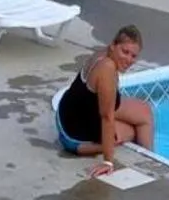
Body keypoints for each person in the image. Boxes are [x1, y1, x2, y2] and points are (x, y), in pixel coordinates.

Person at [56, 25, 155, 175]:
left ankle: (151, 156)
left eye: (133, 56)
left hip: (67, 115)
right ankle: (150, 166)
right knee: (131, 130)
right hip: (75, 137)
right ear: (113, 46)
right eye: (125, 52)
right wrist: (108, 162)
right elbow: (107, 117)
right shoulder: (106, 68)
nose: (128, 59)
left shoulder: (104, 54)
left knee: (145, 110)